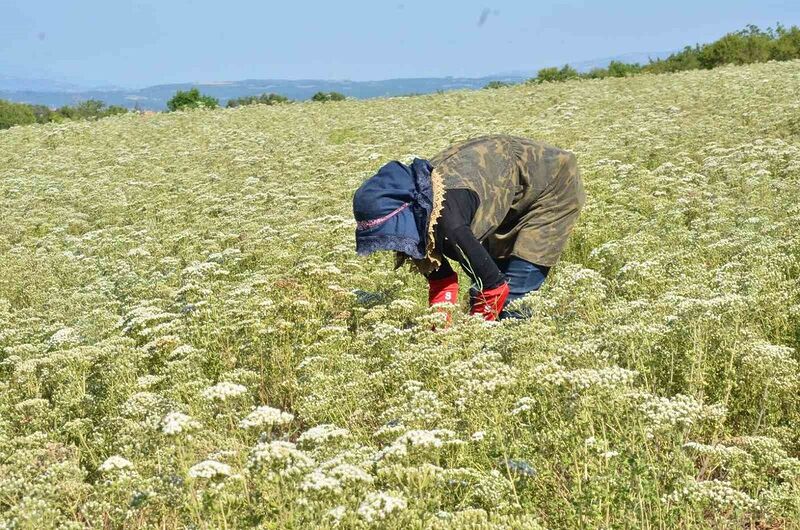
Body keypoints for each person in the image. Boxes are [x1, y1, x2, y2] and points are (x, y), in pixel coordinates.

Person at [352, 134, 585, 321]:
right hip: (506, 187)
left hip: (550, 186)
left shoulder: (448, 223)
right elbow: (443, 282)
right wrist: (437, 334)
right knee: (481, 288)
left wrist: (469, 341)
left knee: (513, 300)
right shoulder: (417, 210)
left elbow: (495, 289)